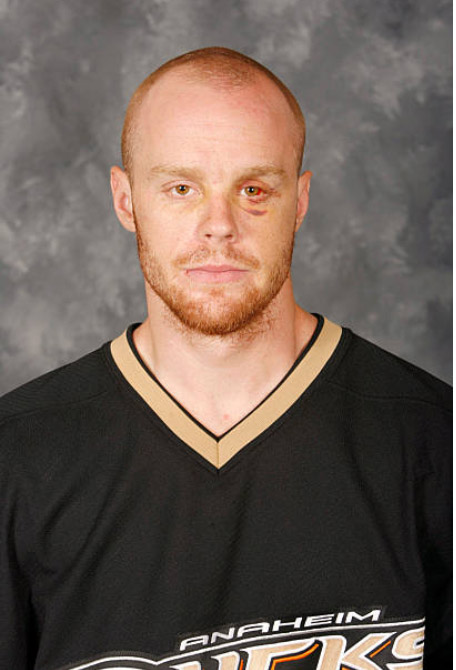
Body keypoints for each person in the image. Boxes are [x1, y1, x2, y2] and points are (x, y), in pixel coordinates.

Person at [0, 47, 451, 670]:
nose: (219, 225)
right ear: (126, 200)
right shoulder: (16, 457)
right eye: (182, 188)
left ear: (300, 200)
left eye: (254, 189)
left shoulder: (436, 441)